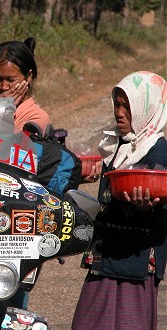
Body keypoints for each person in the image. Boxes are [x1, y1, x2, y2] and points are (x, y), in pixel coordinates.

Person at [72, 71, 167, 330]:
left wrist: (146, 209)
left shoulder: (157, 151)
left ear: (146, 109)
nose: (119, 112)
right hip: (107, 254)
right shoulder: (117, 146)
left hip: (134, 265)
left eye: (128, 106)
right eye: (117, 104)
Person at [0, 38, 50, 136]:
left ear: (29, 76)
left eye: (11, 80)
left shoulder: (36, 117)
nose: (4, 87)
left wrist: (2, 111)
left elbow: (14, 146)